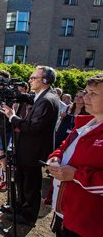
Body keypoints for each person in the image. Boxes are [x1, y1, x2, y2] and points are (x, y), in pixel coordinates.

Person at [2, 66, 60, 226]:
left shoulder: (48, 100)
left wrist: (12, 118)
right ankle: (19, 208)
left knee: (30, 186)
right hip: (27, 149)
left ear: (45, 81)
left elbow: (33, 128)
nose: (30, 80)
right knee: (21, 181)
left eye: (33, 78)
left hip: (33, 152)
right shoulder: (42, 96)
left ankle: (28, 217)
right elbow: (29, 98)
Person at [47, 74, 103, 237]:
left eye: (93, 93)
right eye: (86, 92)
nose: (85, 96)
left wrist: (76, 175)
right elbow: (64, 148)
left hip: (89, 225)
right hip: (66, 215)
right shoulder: (85, 124)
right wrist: (55, 158)